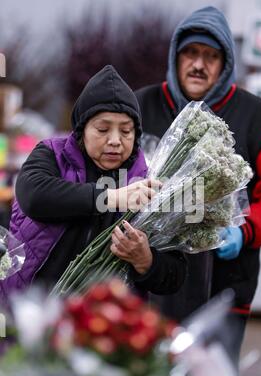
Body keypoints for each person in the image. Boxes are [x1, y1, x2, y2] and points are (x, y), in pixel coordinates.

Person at [135, 7, 261, 362]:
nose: (199, 64)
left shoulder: (254, 115)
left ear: (226, 65)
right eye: (191, 53)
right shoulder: (139, 106)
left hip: (222, 288)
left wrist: (247, 231)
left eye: (211, 56)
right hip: (144, 282)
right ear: (175, 56)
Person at [0, 65, 187, 308]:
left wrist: (146, 259)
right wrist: (110, 198)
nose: (115, 140)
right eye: (102, 129)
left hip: (105, 325)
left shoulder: (149, 181)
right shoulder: (52, 154)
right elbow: (33, 197)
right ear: (82, 130)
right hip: (34, 311)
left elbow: (175, 275)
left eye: (126, 131)